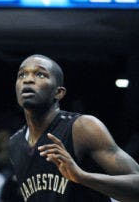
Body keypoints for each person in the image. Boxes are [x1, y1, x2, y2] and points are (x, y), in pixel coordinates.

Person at [10, 54, 139, 200]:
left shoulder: (82, 128)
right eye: (22, 75)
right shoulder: (14, 142)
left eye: (40, 74)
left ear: (58, 93)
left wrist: (82, 176)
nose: (27, 80)